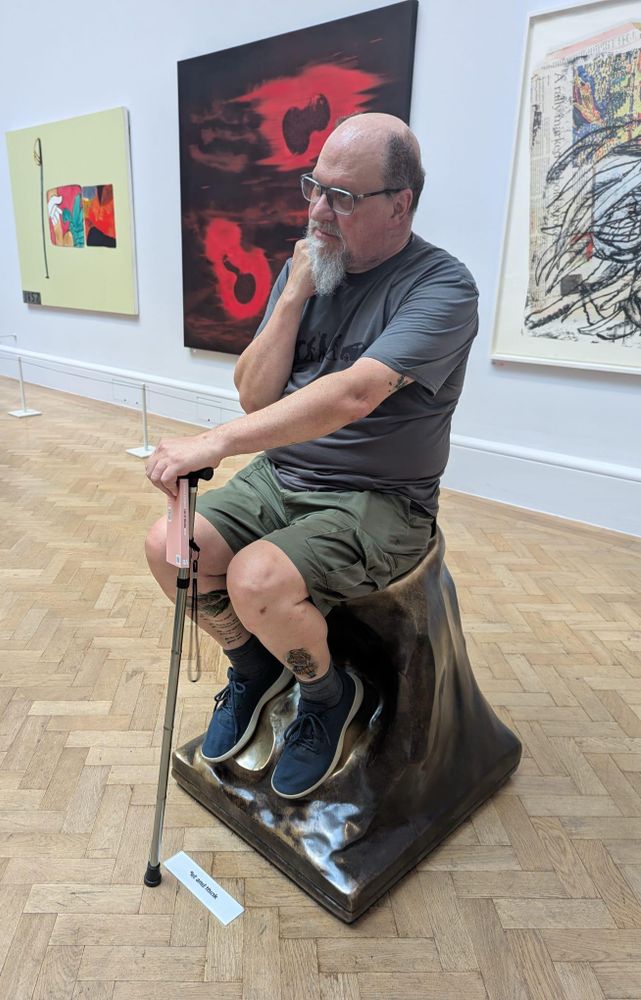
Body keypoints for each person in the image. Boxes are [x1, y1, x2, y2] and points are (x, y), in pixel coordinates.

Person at [145, 112, 479, 800]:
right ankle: (253, 668)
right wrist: (295, 292)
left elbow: (354, 394)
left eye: (343, 197)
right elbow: (253, 394)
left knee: (257, 579)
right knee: (170, 548)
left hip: (380, 497)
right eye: (314, 188)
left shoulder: (442, 288)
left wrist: (216, 442)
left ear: (400, 204)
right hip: (283, 472)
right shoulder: (309, 266)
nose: (319, 210)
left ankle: (328, 696)